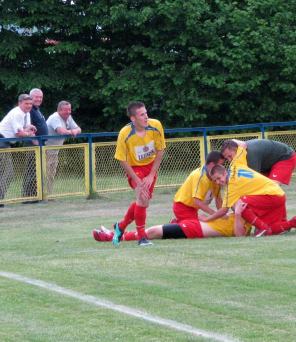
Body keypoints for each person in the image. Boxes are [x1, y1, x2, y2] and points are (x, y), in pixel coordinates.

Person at [112, 101, 166, 246]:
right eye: (142, 115)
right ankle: (142, 238)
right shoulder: (125, 133)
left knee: (144, 203)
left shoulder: (155, 126)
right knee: (142, 198)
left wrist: (151, 175)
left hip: (150, 167)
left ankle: (121, 226)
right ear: (133, 119)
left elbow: (160, 150)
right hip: (134, 168)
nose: (146, 117)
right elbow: (122, 160)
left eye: (146, 113)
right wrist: (138, 180)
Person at [203, 164, 296, 237]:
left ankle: (263, 228)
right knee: (270, 229)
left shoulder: (231, 184)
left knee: (238, 204)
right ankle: (295, 221)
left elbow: (223, 210)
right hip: (277, 194)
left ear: (225, 172)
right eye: (215, 180)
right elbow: (241, 151)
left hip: (272, 195)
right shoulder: (237, 165)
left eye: (218, 178)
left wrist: (207, 219)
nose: (217, 182)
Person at [93, 201, 253, 242]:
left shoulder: (244, 222)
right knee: (153, 231)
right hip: (194, 225)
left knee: (152, 232)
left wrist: (238, 214)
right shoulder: (237, 213)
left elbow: (240, 235)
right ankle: (117, 233)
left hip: (195, 231)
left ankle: (114, 236)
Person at [0, 94, 37, 206]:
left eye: (30, 104)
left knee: (3, 173)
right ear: (20, 103)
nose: (29, 106)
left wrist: (28, 132)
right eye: (26, 104)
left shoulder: (26, 113)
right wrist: (28, 132)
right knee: (5, 173)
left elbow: (27, 130)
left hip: (5, 143)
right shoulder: (17, 113)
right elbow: (20, 133)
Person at [171, 150, 224, 223]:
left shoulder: (215, 178)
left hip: (193, 209)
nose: (222, 168)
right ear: (212, 165)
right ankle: (175, 225)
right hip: (182, 207)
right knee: (196, 229)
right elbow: (197, 202)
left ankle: (177, 222)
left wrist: (222, 214)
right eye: (220, 165)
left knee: (206, 225)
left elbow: (218, 198)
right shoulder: (199, 176)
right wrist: (216, 215)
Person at [219, 138, 296, 185]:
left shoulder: (251, 154)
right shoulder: (241, 152)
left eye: (230, 156)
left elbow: (253, 179)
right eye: (227, 159)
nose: (229, 160)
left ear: (236, 150)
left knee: (271, 189)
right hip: (267, 165)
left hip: (284, 157)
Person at [44, 101, 82, 197]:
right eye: (65, 110)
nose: (68, 112)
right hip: (45, 150)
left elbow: (79, 129)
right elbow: (61, 131)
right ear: (59, 110)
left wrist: (74, 131)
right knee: (45, 174)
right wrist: (71, 131)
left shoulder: (68, 117)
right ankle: (42, 196)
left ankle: (48, 195)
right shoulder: (55, 117)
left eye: (69, 109)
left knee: (51, 175)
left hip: (54, 151)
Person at [21, 88, 49, 203]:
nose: (39, 99)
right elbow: (28, 127)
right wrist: (35, 141)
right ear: (31, 97)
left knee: (36, 170)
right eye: (36, 97)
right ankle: (27, 197)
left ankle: (34, 195)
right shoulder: (31, 110)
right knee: (31, 170)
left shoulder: (37, 110)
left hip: (40, 144)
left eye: (40, 97)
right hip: (33, 144)